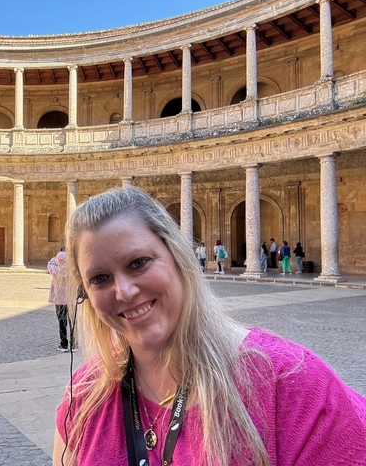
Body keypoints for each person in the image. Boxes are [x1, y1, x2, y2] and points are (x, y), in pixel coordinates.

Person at [53, 186, 366, 466]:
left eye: (138, 263)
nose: (124, 291)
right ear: (85, 293)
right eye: (99, 279)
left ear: (178, 257)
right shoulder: (83, 396)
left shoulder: (291, 383)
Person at [48, 250, 76, 352]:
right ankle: (74, 344)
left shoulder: (54, 268)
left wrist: (57, 258)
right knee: (73, 322)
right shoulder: (73, 269)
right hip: (71, 299)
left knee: (62, 322)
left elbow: (51, 262)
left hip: (59, 300)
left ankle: (64, 344)